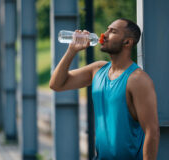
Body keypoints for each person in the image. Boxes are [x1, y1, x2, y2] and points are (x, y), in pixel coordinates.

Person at [49, 18, 160, 160]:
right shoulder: (98, 69)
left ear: (127, 42)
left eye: (112, 31)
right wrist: (72, 50)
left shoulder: (138, 79)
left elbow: (152, 132)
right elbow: (56, 84)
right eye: (107, 29)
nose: (104, 34)